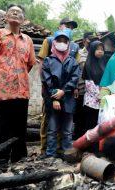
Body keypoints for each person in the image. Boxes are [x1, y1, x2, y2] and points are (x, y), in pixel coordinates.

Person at [0, 4, 36, 163]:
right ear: (6, 17)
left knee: (19, 127)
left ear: (23, 20)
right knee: (0, 127)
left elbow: (30, 63)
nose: (16, 13)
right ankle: (0, 159)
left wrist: (18, 75)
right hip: (0, 91)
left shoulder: (28, 40)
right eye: (12, 11)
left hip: (21, 91)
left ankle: (19, 159)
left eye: (19, 12)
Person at [38, 18, 79, 154]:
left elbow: (74, 78)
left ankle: (67, 152)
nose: (62, 43)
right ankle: (50, 153)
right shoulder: (48, 61)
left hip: (68, 98)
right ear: (54, 42)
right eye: (59, 40)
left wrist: (64, 91)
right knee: (52, 128)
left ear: (68, 44)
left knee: (67, 130)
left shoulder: (72, 61)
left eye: (65, 41)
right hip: (52, 98)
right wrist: (55, 97)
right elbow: (46, 80)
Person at [82, 40, 107, 152]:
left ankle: (97, 149)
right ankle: (89, 149)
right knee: (91, 125)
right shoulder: (88, 64)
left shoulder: (103, 63)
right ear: (92, 50)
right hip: (91, 101)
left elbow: (106, 80)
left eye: (102, 49)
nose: (100, 51)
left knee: (99, 125)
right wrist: (99, 94)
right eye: (98, 49)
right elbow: (88, 83)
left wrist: (104, 93)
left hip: (102, 100)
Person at [73, 32, 96, 139]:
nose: (91, 42)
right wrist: (75, 87)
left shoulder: (97, 53)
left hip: (93, 93)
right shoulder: (79, 54)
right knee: (79, 115)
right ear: (84, 41)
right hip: (81, 89)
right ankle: (77, 139)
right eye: (89, 40)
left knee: (89, 116)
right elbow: (75, 71)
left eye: (93, 40)